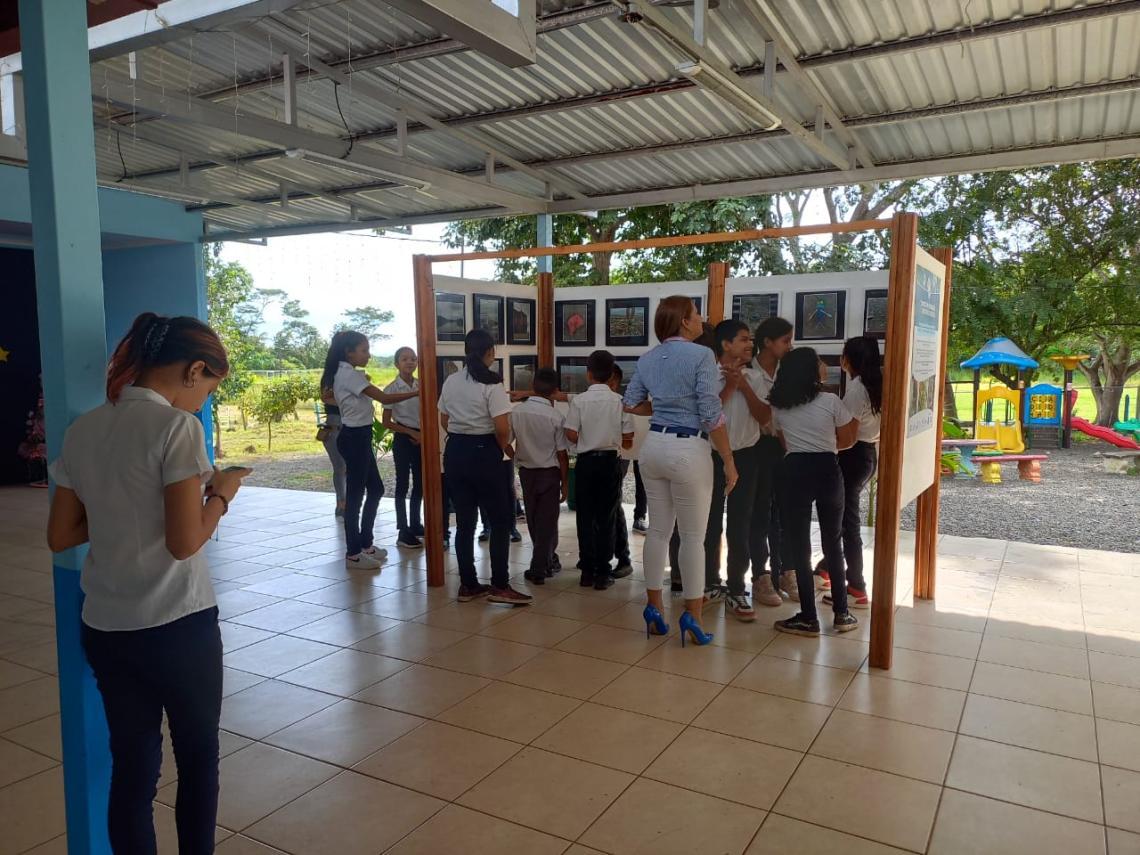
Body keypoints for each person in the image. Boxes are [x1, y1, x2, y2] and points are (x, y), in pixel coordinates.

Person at [46, 313, 249, 854]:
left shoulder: (84, 428)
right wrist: (221, 494)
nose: (202, 400)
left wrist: (118, 506)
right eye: (207, 387)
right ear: (195, 369)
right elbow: (185, 543)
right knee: (197, 760)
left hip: (107, 629)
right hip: (178, 627)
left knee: (132, 771)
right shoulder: (178, 429)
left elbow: (61, 534)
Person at [624, 297, 736, 646]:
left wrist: (661, 409)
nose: (701, 318)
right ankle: (693, 615)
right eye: (696, 313)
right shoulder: (702, 356)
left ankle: (655, 607)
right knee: (692, 538)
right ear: (685, 322)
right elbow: (710, 412)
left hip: (653, 446)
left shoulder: (648, 359)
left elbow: (629, 402)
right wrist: (730, 461)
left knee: (658, 532)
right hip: (690, 447)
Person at [768, 347, 860, 637]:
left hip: (794, 468)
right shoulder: (831, 401)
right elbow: (846, 440)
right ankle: (842, 613)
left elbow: (783, 442)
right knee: (833, 541)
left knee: (799, 544)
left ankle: (808, 616)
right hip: (827, 468)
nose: (824, 365)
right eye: (820, 361)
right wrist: (825, 442)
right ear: (811, 370)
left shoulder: (779, 405)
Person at [440, 329, 532, 604]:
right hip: (485, 453)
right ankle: (500, 585)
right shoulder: (492, 384)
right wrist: (504, 447)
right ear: (489, 353)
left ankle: (468, 585)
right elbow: (502, 427)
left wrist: (462, 434)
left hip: (456, 451)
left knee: (465, 523)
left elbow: (444, 419)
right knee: (501, 520)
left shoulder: (452, 381)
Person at [322, 331, 420, 571]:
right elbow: (384, 397)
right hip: (354, 437)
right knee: (355, 497)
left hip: (361, 436)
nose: (368, 354)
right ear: (349, 352)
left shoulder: (348, 374)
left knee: (375, 488)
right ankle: (353, 553)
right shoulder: (348, 375)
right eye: (364, 350)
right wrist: (420, 391)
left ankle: (366, 544)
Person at [703, 319, 773, 621]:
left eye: (751, 339)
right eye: (743, 339)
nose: (749, 344)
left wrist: (743, 386)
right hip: (710, 457)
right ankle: (709, 584)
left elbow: (764, 417)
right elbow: (706, 416)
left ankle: (736, 589)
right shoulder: (706, 376)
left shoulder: (756, 378)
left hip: (746, 457)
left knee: (740, 525)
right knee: (709, 524)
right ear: (725, 344)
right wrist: (730, 387)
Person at [819, 336, 882, 610]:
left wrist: (821, 447)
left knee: (848, 524)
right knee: (846, 518)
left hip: (853, 457)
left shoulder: (857, 390)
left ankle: (856, 585)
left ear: (848, 359)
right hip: (868, 455)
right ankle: (825, 568)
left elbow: (848, 436)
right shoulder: (875, 383)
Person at [566, 350, 634, 590]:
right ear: (611, 375)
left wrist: (585, 438)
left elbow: (571, 433)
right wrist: (613, 439)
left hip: (585, 463)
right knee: (607, 517)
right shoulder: (620, 402)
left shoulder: (579, 401)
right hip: (609, 463)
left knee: (584, 517)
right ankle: (604, 573)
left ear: (589, 373)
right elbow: (628, 438)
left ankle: (586, 570)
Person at [750, 316, 795, 605]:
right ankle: (760, 576)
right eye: (785, 341)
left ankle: (786, 571)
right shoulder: (746, 370)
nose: (790, 346)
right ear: (767, 342)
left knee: (785, 512)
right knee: (759, 513)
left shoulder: (790, 370)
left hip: (785, 446)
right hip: (756, 447)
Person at [512, 367, 570, 586]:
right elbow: (562, 454)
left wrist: (515, 456)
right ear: (555, 390)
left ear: (533, 387)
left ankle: (548, 559)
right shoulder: (556, 416)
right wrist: (565, 483)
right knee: (547, 521)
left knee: (535, 519)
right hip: (549, 473)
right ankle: (539, 568)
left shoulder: (517, 412)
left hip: (526, 473)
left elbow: (505, 441)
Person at [382, 346, 425, 549]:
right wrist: (410, 432)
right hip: (403, 438)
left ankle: (416, 524)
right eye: (405, 359)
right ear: (396, 363)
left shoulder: (422, 385)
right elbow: (386, 422)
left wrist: (422, 434)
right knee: (402, 484)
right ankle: (403, 529)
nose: (410, 362)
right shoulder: (391, 390)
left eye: (413, 359)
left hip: (421, 437)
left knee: (420, 483)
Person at [609, 363, 637, 580]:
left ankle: (624, 558)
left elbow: (628, 441)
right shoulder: (587, 400)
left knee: (614, 507)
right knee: (599, 508)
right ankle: (598, 554)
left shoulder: (622, 404)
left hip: (617, 459)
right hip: (598, 460)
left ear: (614, 382)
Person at [317, 385, 347, 518]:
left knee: (344, 468)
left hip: (348, 426)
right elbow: (327, 397)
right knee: (340, 467)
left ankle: (345, 502)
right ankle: (342, 503)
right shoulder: (330, 380)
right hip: (335, 428)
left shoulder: (351, 376)